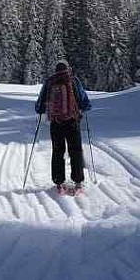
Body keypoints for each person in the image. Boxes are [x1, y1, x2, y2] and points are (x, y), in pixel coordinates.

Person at [35, 59, 91, 193]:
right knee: (75, 151)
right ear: (68, 68)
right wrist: (83, 108)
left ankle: (59, 184)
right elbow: (85, 102)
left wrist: (43, 110)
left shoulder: (49, 82)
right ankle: (78, 183)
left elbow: (39, 106)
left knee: (58, 151)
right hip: (72, 122)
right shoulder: (73, 80)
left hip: (56, 123)